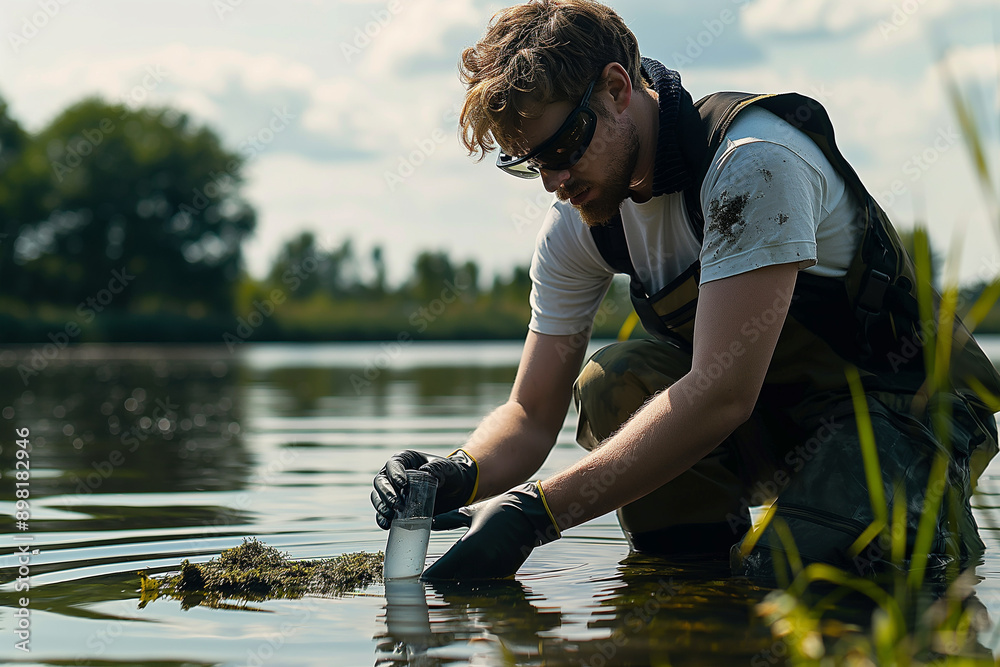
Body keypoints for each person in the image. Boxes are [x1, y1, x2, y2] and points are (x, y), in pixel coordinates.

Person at [372, 0, 1000, 582]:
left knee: (796, 578)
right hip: (776, 419)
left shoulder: (753, 164)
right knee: (615, 380)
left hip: (903, 413)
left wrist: (535, 515)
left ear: (618, 89)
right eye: (531, 162)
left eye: (563, 147)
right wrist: (455, 474)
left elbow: (720, 396)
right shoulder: (580, 220)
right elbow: (532, 415)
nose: (553, 180)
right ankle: (688, 570)